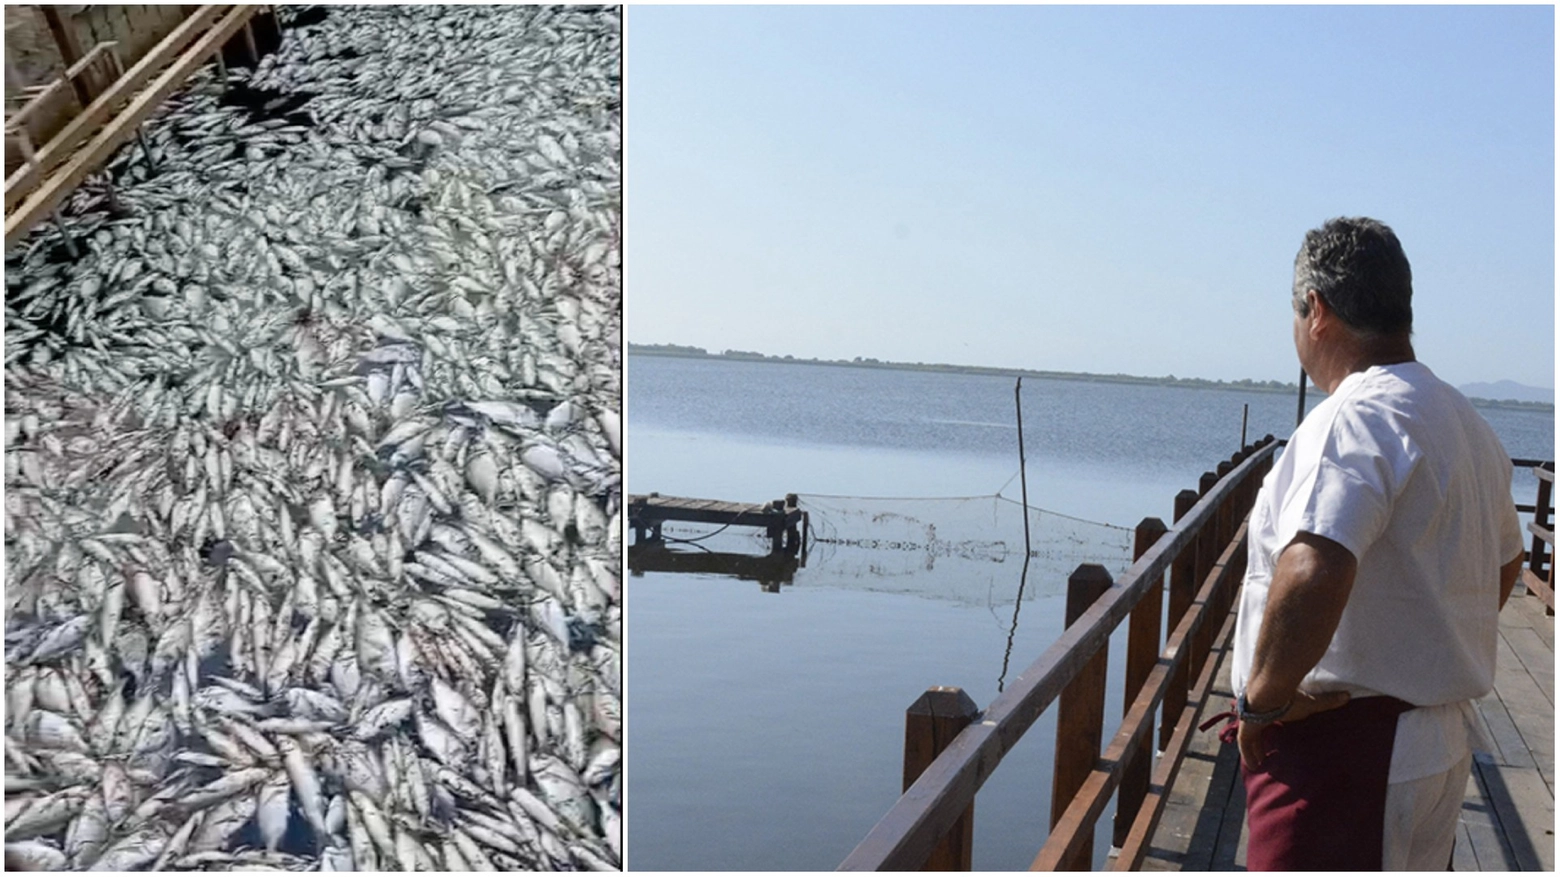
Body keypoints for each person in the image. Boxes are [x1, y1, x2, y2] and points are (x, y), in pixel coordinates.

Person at [1227, 217, 1526, 871]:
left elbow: (1313, 566)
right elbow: (1508, 560)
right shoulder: (1463, 419)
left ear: (1319, 311)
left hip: (1345, 753)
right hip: (1434, 743)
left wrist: (1263, 700)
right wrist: (1429, 632)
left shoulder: (1354, 415)